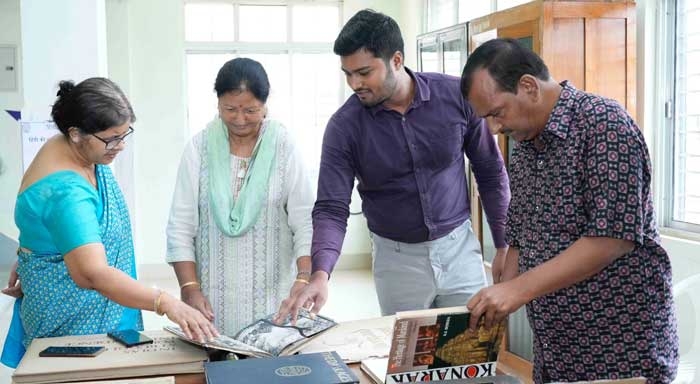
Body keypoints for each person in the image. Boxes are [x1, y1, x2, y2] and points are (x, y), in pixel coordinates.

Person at [461, 38, 678, 383]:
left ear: (528, 86)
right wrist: (502, 294)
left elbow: (611, 239)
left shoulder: (604, 125)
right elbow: (520, 233)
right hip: (556, 348)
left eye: (497, 113)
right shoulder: (526, 143)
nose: (493, 128)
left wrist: (516, 291)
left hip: (618, 349)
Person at [276, 9, 509, 321]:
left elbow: (491, 172)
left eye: (364, 72)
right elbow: (332, 207)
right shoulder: (344, 127)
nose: (354, 83)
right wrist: (321, 275)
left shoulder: (455, 96)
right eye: (347, 74)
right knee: (409, 359)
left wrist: (504, 243)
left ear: (396, 60)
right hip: (396, 259)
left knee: (470, 352)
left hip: (459, 249)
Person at [1, 77, 218, 368]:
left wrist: (30, 249)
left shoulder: (73, 148)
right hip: (73, 324)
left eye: (124, 134)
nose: (120, 146)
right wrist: (167, 303)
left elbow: (44, 223)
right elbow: (92, 274)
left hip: (86, 305)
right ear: (75, 133)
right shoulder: (66, 191)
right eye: (111, 139)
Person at [166, 58, 315, 335]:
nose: (240, 119)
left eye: (250, 110)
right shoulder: (199, 148)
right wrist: (189, 289)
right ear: (218, 104)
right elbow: (181, 225)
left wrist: (304, 278)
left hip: (275, 297)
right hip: (211, 300)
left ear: (265, 105)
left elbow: (304, 219)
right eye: (230, 109)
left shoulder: (284, 146)